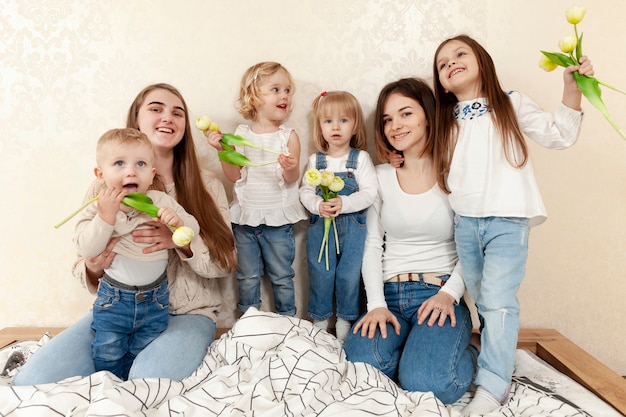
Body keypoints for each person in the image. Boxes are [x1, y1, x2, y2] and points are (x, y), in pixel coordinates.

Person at [13, 83, 237, 385]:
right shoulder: (105, 188)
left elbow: (226, 263)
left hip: (187, 314)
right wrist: (94, 265)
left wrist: (180, 243)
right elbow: (83, 256)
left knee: (145, 382)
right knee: (33, 379)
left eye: (177, 113)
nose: (167, 117)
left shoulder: (206, 186)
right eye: (156, 109)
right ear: (136, 120)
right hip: (117, 310)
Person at [432, 35, 594, 415]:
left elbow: (560, 134)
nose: (451, 63)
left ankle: (494, 384)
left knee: (500, 302)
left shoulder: (510, 103)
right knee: (485, 302)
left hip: (508, 220)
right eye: (443, 63)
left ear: (481, 61)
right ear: (441, 82)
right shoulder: (445, 121)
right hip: (466, 223)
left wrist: (572, 89)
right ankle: (497, 358)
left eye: (460, 55)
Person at [343, 78, 476, 405]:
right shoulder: (380, 175)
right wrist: (375, 304)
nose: (394, 126)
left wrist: (449, 295)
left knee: (428, 384)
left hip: (439, 294)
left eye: (405, 114)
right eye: (387, 119)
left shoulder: (455, 173)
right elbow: (372, 245)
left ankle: (470, 351)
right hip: (389, 296)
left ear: (428, 116)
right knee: (362, 370)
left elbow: (472, 246)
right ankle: (416, 345)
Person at [75, 128, 199, 380]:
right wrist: (106, 216)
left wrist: (177, 223)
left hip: (156, 298)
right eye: (119, 163)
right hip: (114, 298)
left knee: (143, 349)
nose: (130, 171)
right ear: (100, 174)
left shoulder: (160, 201)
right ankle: (109, 389)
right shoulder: (98, 206)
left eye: (140, 164)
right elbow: (86, 248)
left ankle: (132, 393)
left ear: (151, 174)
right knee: (107, 350)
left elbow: (193, 229)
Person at [206, 62, 307, 317]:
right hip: (246, 219)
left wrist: (291, 167)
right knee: (247, 276)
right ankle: (249, 324)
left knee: (282, 276)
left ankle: (288, 323)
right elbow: (234, 175)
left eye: (287, 90)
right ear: (253, 97)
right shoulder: (241, 135)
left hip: (277, 221)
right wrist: (223, 151)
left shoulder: (288, 136)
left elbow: (291, 180)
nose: (284, 95)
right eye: (275, 89)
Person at [299, 91, 377, 342]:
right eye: (328, 121)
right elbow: (304, 190)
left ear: (354, 125)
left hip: (353, 229)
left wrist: (343, 203)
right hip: (321, 228)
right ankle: (320, 326)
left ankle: (344, 326)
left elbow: (369, 193)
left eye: (343, 120)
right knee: (321, 273)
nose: (336, 127)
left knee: (349, 275)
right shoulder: (316, 161)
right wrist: (316, 205)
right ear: (319, 127)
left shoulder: (360, 159)